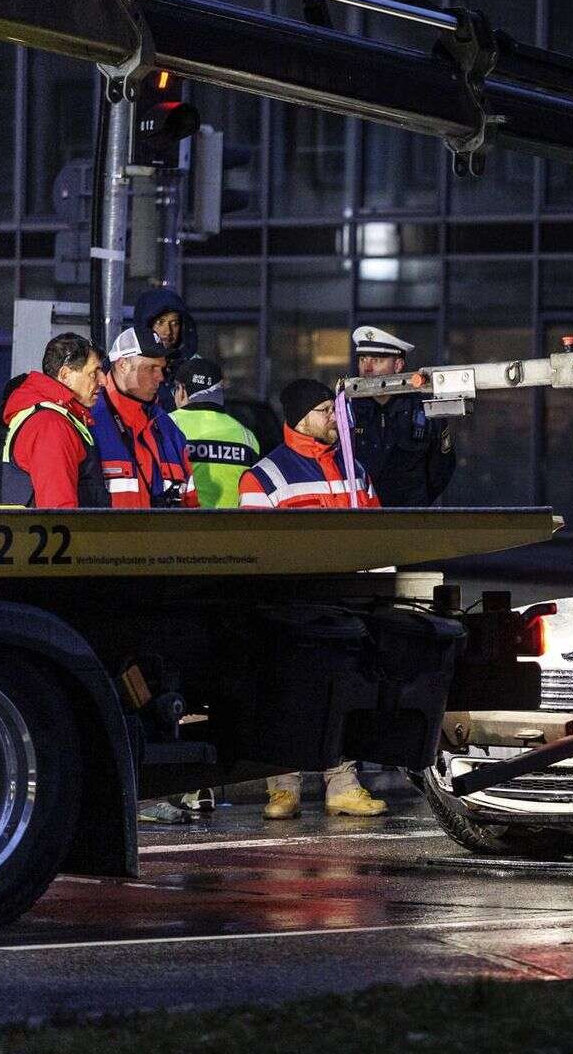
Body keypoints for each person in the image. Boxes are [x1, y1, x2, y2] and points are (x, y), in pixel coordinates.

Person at [240, 379, 387, 820]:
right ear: (302, 417)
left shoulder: (354, 468)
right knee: (287, 693)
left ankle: (341, 782)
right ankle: (283, 787)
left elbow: (379, 532)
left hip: (344, 602)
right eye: (325, 411)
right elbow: (255, 552)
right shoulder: (264, 476)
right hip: (290, 606)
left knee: (341, 691)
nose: (334, 420)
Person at [0, 333, 108, 509]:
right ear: (65, 375)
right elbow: (59, 512)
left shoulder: (52, 417)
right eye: (94, 373)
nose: (103, 380)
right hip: (66, 535)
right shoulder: (51, 425)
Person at [348, 325, 456, 507]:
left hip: (408, 518)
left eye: (376, 360)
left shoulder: (424, 409)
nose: (366, 368)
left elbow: (442, 467)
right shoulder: (347, 411)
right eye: (363, 359)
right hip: (360, 517)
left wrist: (416, 502)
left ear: (398, 365)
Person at [94, 326, 198, 508]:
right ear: (122, 364)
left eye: (162, 369)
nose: (160, 377)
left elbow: (191, 504)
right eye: (151, 368)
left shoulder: (168, 428)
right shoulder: (89, 421)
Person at [168, 356, 260, 509]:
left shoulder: (167, 426)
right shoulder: (246, 436)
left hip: (183, 528)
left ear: (182, 391)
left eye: (175, 390)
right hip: (232, 528)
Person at [132, 287, 197, 412]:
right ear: (145, 324)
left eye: (175, 323)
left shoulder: (194, 367)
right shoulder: (125, 365)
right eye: (160, 322)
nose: (168, 331)